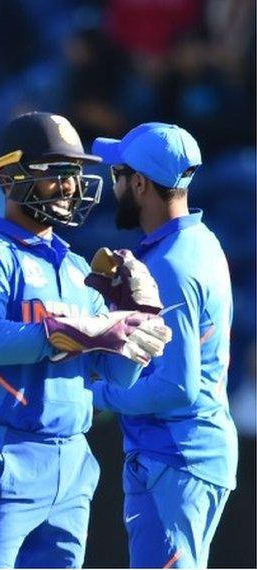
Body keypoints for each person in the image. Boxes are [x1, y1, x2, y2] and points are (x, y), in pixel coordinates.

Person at [0, 111, 172, 568]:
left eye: (75, 173)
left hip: (71, 462)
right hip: (3, 455)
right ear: (11, 177)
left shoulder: (75, 267)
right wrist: (70, 331)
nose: (70, 186)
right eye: (57, 173)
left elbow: (111, 376)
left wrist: (136, 327)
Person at [90, 123, 237, 568]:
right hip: (184, 456)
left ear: (139, 182)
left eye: (119, 175)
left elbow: (177, 388)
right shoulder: (196, 242)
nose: (114, 186)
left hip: (175, 457)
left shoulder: (171, 264)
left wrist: (93, 393)